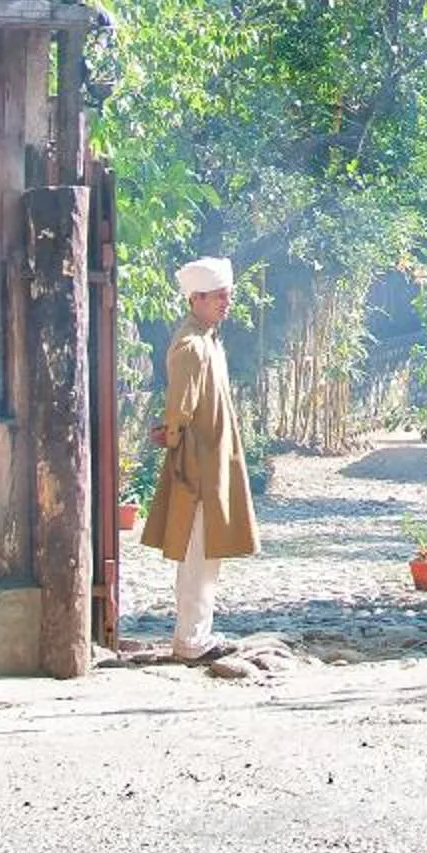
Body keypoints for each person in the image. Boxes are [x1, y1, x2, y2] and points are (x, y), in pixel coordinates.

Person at [140, 255, 256, 658]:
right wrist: (171, 435)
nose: (227, 303)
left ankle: (197, 633)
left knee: (207, 551)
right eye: (220, 297)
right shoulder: (191, 345)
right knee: (197, 550)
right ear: (198, 298)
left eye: (228, 295)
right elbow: (181, 408)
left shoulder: (208, 340)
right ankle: (190, 639)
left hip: (212, 459)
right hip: (200, 463)